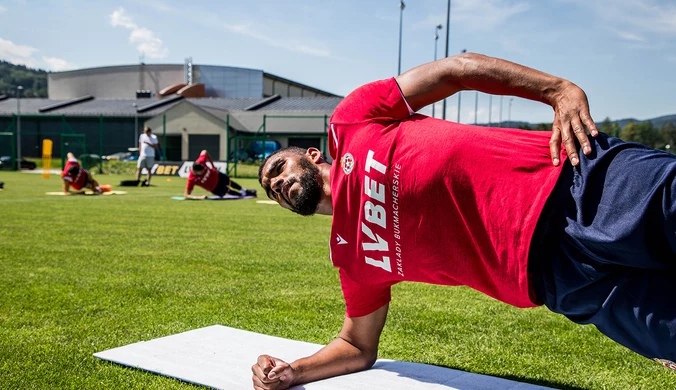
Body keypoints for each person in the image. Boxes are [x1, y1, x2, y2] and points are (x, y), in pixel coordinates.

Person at [253, 52, 676, 389]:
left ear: (310, 155)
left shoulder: (352, 122)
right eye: (272, 189)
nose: (277, 183)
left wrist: (557, 89)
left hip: (581, 185)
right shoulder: (351, 257)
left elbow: (456, 70)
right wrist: (294, 371)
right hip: (560, 280)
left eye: (277, 168)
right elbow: (356, 345)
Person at [184, 149, 256, 199]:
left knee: (229, 181)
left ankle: (245, 191)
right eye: (202, 171)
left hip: (217, 175)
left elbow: (204, 152)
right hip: (214, 187)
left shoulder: (200, 162)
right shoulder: (192, 179)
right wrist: (199, 197)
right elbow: (187, 195)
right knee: (227, 190)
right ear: (196, 172)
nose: (204, 171)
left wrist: (212, 165)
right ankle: (242, 195)